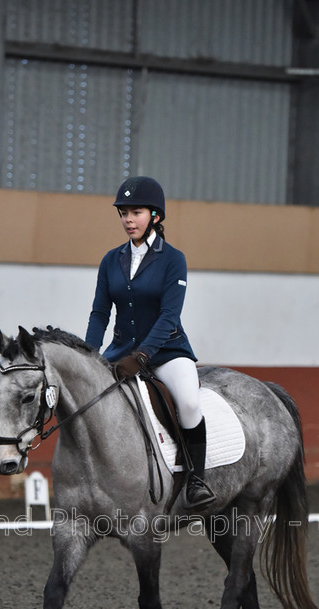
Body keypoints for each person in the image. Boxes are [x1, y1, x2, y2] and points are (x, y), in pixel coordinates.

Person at [85, 175, 216, 507]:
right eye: (124, 213)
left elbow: (169, 316)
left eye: (136, 212)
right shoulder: (111, 260)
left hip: (168, 352)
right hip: (120, 351)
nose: (128, 219)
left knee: (188, 403)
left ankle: (196, 479)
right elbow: (100, 312)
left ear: (155, 215)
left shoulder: (174, 259)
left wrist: (143, 355)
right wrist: (88, 352)